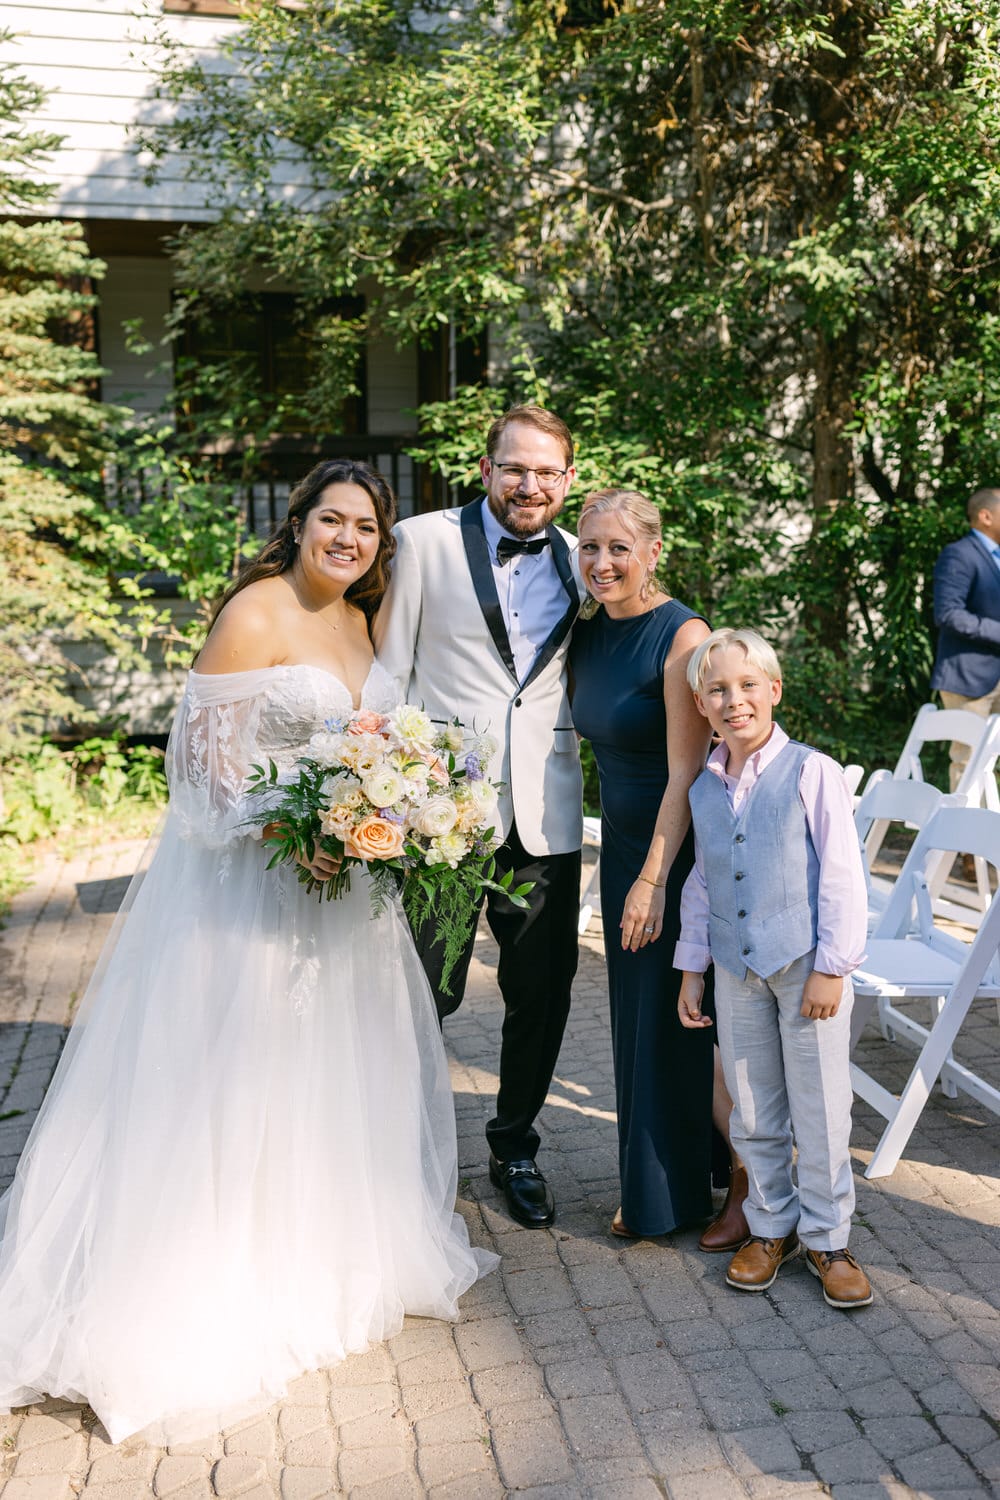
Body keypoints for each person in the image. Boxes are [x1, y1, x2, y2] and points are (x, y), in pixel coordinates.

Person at [0, 459, 496, 1446]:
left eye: (365, 526)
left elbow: (382, 744)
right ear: (299, 521)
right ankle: (201, 1283)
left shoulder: (365, 620)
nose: (347, 538)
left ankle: (313, 1260)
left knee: (330, 1077)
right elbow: (199, 774)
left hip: (345, 898)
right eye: (332, 520)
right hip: (252, 897)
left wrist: (395, 815)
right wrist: (295, 830)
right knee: (233, 1079)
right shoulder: (255, 613)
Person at [374, 405, 584, 1229]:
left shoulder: (585, 558)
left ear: (567, 480)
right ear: (488, 468)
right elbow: (390, 672)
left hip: (545, 814)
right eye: (515, 468)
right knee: (424, 990)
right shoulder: (422, 541)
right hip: (441, 818)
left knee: (543, 991)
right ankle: (397, 1150)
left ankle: (514, 1145)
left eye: (546, 472)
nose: (529, 485)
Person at [569, 490, 746, 1245]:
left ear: (652, 552)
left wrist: (650, 877)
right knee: (653, 1019)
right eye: (589, 548)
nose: (601, 563)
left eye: (617, 548)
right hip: (624, 844)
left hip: (674, 852)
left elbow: (685, 773)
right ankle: (691, 1181)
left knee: (679, 1017)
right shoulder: (588, 630)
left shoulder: (682, 637)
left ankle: (754, 1180)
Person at [676, 627, 873, 1310]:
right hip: (735, 968)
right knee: (753, 1106)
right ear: (701, 705)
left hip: (804, 965)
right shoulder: (704, 784)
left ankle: (828, 1238)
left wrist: (833, 965)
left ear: (774, 691)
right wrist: (692, 968)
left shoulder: (811, 771)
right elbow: (700, 880)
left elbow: (844, 875)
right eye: (719, 691)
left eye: (747, 686)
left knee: (819, 1107)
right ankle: (770, 1225)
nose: (735, 701)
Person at [930, 486, 1000, 790]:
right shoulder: (959, 554)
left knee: (989, 764)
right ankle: (964, 837)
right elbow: (948, 614)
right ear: (986, 516)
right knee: (968, 761)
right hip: (968, 678)